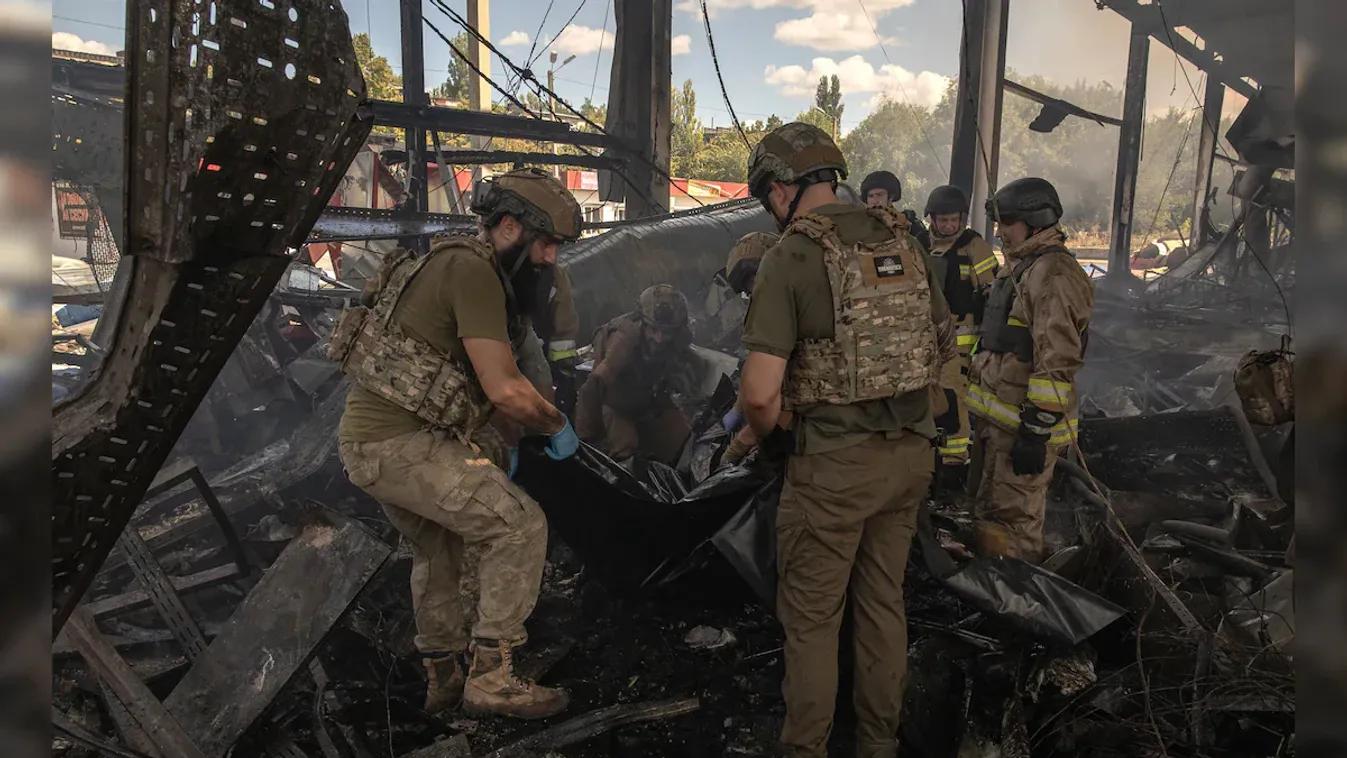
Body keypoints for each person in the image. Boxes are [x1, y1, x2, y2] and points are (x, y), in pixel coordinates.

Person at [331, 167, 584, 720]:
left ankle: (443, 682)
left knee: (442, 549)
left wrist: (511, 438)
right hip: (398, 445)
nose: (550, 258)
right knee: (518, 525)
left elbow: (489, 390)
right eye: (547, 243)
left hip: (373, 444)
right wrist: (555, 426)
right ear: (510, 226)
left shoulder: (460, 264)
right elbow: (506, 389)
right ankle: (493, 678)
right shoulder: (472, 272)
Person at [737, 122, 956, 758]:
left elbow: (759, 393)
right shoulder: (904, 240)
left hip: (832, 469)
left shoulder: (792, 255)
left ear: (780, 190)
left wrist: (771, 441)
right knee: (883, 601)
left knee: (810, 620)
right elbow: (943, 341)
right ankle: (879, 745)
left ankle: (805, 748)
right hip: (910, 457)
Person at [965, 177, 1094, 563]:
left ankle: (1018, 603)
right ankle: (993, 595)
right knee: (989, 518)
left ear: (1036, 223)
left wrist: (1036, 432)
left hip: (1023, 429)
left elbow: (1057, 359)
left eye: (1008, 224)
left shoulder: (1054, 275)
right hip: (999, 424)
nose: (1000, 233)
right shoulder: (1022, 268)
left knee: (1013, 527)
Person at [923, 184, 1001, 491]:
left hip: (959, 343)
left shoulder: (974, 247)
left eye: (954, 220)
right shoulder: (920, 244)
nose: (948, 225)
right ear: (932, 219)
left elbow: (992, 291)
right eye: (942, 220)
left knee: (953, 401)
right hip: (925, 339)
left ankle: (952, 470)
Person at [575, 284, 698, 464]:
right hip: (613, 401)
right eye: (653, 329)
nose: (659, 338)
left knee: (685, 441)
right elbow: (592, 388)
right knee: (625, 450)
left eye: (666, 332)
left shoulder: (681, 338)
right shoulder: (624, 340)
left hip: (648, 397)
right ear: (641, 322)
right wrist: (584, 442)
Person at [531, 264, 582, 414]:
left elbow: (564, 333)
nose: (550, 255)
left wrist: (564, 376)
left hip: (541, 362)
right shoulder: (485, 274)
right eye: (545, 243)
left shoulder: (554, 277)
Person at [860, 169, 930, 250]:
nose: (875, 200)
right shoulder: (859, 224)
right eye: (871, 196)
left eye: (879, 195)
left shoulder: (909, 224)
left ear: (891, 197)